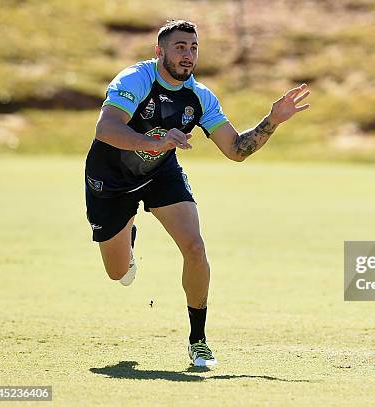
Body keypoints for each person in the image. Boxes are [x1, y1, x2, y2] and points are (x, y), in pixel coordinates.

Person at [84, 19, 310, 367]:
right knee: (118, 274)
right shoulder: (136, 79)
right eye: (179, 47)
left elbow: (236, 149)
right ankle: (126, 236)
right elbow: (106, 128)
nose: (188, 55)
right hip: (111, 179)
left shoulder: (200, 98)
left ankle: (198, 339)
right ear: (160, 51)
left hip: (161, 174)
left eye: (193, 47)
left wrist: (272, 120)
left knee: (195, 246)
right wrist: (155, 143)